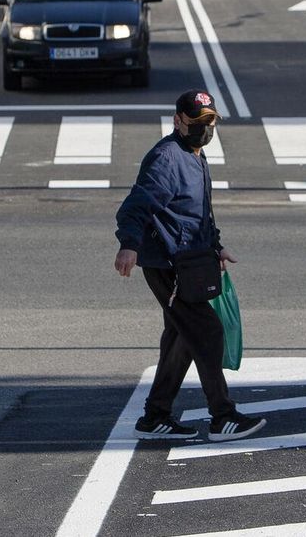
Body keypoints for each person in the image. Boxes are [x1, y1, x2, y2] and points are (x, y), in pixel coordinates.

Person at [113, 89, 264, 443]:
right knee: (207, 331)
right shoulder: (167, 158)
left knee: (181, 336)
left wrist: (216, 246)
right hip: (169, 265)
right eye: (197, 122)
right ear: (177, 120)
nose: (205, 129)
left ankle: (155, 417)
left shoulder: (194, 155)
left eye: (210, 122)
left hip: (190, 261)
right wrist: (129, 245)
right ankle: (222, 417)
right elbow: (136, 206)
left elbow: (194, 214)